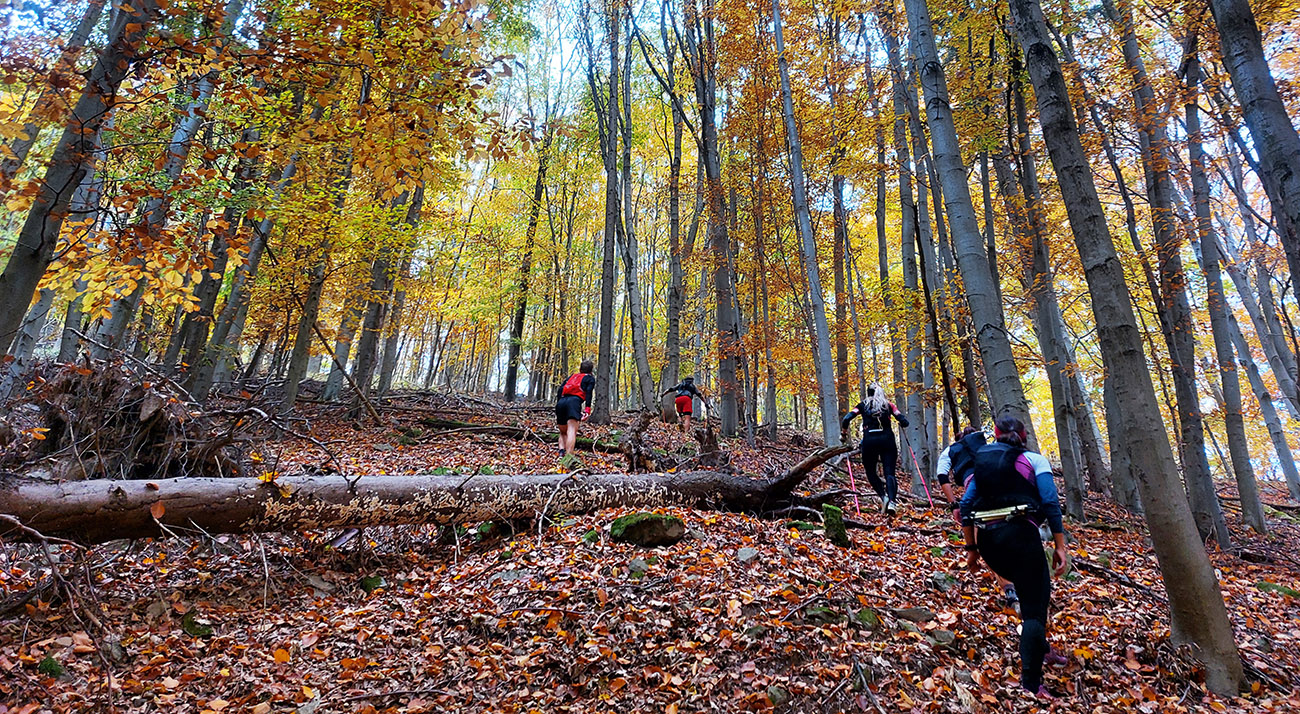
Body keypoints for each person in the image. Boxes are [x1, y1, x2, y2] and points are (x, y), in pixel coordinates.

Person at [959, 415, 1069, 699]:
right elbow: (1050, 501)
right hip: (1022, 538)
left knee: (1025, 589)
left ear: (995, 436)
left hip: (989, 544)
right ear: (1024, 435)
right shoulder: (1034, 460)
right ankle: (1032, 684)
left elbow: (967, 505)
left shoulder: (981, 463)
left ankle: (1040, 647)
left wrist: (972, 552)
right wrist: (1060, 546)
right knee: (1035, 609)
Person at [938, 425, 1017, 611]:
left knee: (985, 543)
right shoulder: (987, 444)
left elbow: (942, 476)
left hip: (976, 493)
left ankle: (1010, 591)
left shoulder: (950, 450)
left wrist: (953, 504)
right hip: (1005, 488)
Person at [840, 384, 909, 515]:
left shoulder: (862, 405)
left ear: (868, 393)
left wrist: (843, 434)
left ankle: (884, 497)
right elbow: (903, 420)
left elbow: (846, 418)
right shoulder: (889, 405)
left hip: (869, 440)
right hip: (887, 440)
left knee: (871, 472)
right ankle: (892, 503)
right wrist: (902, 422)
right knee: (890, 473)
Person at [555, 360, 595, 457]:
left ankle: (561, 452)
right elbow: (589, 393)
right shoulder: (590, 378)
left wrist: (559, 402)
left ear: (580, 369)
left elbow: (560, 389)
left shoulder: (572, 377)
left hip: (561, 402)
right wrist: (587, 409)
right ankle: (569, 456)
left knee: (563, 431)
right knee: (571, 430)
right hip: (574, 402)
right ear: (591, 370)